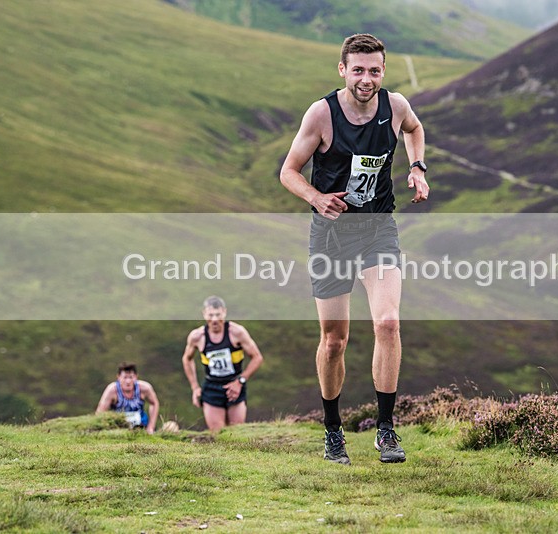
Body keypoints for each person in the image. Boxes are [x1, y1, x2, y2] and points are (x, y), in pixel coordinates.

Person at [279, 33, 429, 464]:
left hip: (378, 229)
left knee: (388, 323)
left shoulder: (395, 106)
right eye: (358, 70)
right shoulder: (322, 114)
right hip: (330, 236)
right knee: (334, 341)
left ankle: (385, 430)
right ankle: (333, 431)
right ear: (343, 70)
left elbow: (414, 129)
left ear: (383, 71)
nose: (367, 79)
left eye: (375, 70)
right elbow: (288, 171)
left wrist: (417, 167)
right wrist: (315, 197)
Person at [181, 296, 264, 432]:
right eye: (210, 315)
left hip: (234, 385)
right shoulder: (197, 337)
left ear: (224, 312)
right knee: (217, 434)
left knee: (237, 432)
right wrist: (195, 387)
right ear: (204, 314)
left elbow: (257, 357)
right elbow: (187, 359)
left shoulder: (237, 332)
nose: (214, 319)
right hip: (212, 386)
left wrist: (240, 381)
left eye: (218, 315)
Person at [96, 362, 160, 434]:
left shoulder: (144, 388)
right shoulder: (112, 390)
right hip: (119, 428)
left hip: (141, 427)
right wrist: (104, 429)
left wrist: (151, 426)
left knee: (171, 426)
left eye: (131, 377)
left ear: (136, 377)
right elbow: (100, 412)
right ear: (119, 377)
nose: (128, 381)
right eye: (125, 377)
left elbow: (154, 403)